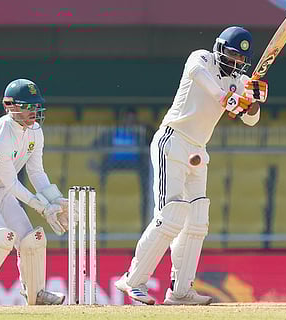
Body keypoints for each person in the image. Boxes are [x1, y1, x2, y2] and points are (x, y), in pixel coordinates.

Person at [115, 26, 268, 305]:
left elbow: (251, 119)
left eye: (240, 59)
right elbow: (206, 83)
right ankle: (133, 280)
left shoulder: (241, 80)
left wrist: (254, 101)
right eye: (232, 55)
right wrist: (230, 98)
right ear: (220, 48)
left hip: (199, 149)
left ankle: (181, 291)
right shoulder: (200, 59)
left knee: (197, 220)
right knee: (171, 215)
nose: (235, 62)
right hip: (173, 141)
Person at [0, 78, 71, 306]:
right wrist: (43, 208)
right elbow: (12, 184)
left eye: (36, 106)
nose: (34, 112)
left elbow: (37, 173)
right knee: (1, 236)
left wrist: (55, 200)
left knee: (32, 239)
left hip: (2, 190)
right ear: (10, 106)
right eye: (28, 106)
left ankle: (36, 293)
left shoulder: (35, 132)